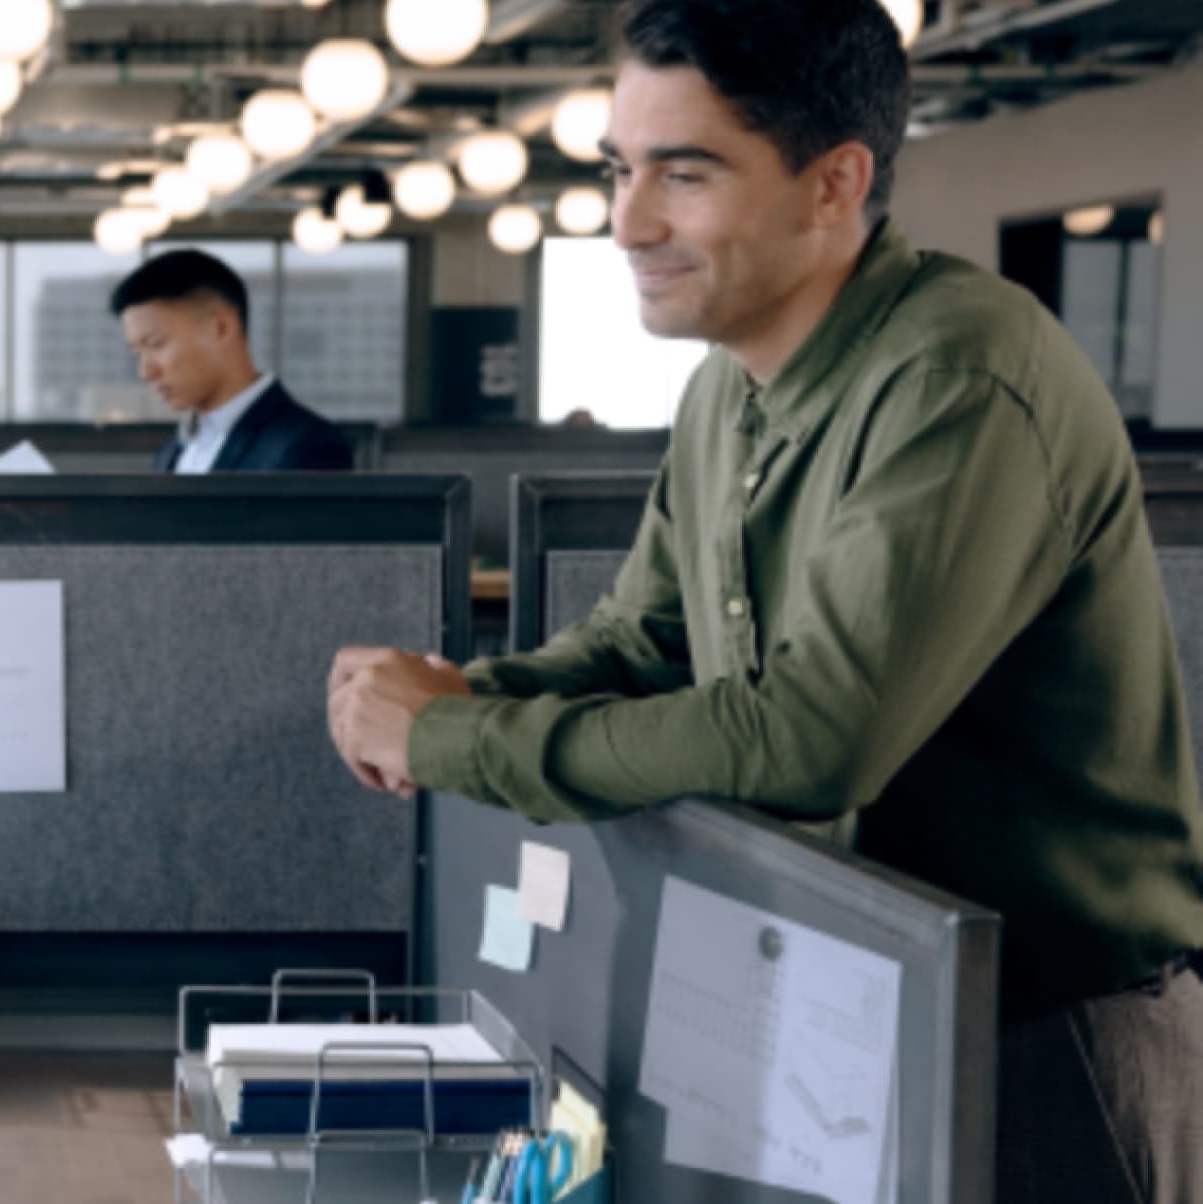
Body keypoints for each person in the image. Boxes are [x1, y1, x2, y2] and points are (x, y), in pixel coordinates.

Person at [324, 0, 1203, 1197]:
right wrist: (461, 691)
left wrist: (451, 735)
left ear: (834, 182)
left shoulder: (957, 373)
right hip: (847, 999)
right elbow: (647, 638)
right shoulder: (728, 390)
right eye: (620, 169)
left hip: (1042, 1035)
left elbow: (809, 738)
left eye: (683, 174)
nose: (628, 220)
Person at [112, 250, 355, 472]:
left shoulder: (307, 447)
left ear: (219, 328)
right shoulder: (173, 451)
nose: (145, 371)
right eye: (138, 352)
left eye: (156, 344)